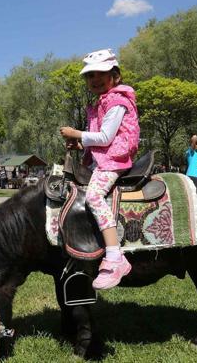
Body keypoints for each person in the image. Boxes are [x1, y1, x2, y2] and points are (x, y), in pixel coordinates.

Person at [59, 48, 139, 290]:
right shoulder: (101, 103)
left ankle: (115, 256)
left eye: (100, 74)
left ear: (115, 74)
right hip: (103, 159)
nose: (94, 79)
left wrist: (77, 133)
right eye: (90, 75)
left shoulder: (116, 102)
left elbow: (105, 137)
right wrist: (81, 143)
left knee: (93, 196)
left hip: (114, 160)